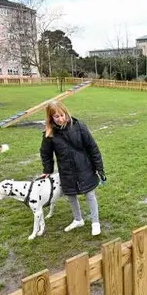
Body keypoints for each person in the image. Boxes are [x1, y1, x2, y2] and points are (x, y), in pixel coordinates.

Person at [40, 100, 106, 236]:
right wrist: (47, 170)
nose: (60, 119)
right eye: (56, 117)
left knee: (90, 194)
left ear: (66, 113)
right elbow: (45, 153)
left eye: (62, 115)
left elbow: (93, 147)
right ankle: (78, 219)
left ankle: (95, 222)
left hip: (84, 166)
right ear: (51, 118)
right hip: (66, 170)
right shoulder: (49, 134)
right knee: (71, 195)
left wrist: (99, 168)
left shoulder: (79, 126)